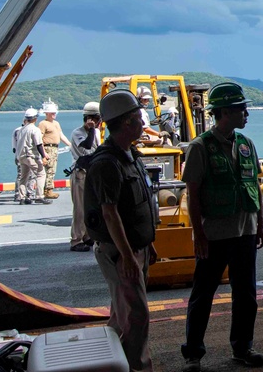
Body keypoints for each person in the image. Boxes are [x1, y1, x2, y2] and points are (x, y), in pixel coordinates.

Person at [181, 82, 263, 371]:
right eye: (242, 109)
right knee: (203, 295)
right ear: (226, 112)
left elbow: (254, 184)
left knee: (247, 295)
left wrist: (261, 225)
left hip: (245, 232)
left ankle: (243, 348)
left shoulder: (246, 144)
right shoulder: (199, 147)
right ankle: (193, 354)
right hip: (214, 235)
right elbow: (192, 194)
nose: (246, 114)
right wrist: (198, 235)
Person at [84, 89, 158, 372]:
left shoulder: (129, 155)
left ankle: (111, 364)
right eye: (139, 118)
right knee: (136, 316)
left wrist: (146, 243)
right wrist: (128, 256)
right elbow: (110, 213)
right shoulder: (107, 163)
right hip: (119, 253)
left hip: (134, 248)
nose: (143, 122)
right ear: (127, 122)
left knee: (122, 316)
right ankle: (137, 368)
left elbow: (137, 207)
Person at [68, 102, 101, 252]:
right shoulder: (77, 133)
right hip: (80, 172)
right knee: (80, 208)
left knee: (90, 206)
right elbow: (87, 146)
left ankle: (87, 235)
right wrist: (92, 130)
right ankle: (76, 240)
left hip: (91, 172)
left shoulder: (96, 133)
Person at [39, 101, 71, 200]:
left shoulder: (56, 123)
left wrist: (70, 144)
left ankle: (48, 189)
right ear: (46, 113)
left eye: (55, 113)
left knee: (52, 169)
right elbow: (39, 139)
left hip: (55, 148)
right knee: (49, 169)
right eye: (52, 113)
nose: (54, 115)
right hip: (48, 148)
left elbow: (61, 135)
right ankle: (48, 190)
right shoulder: (43, 124)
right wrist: (43, 153)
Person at [15, 108, 48, 204]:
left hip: (21, 157)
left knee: (23, 177)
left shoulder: (21, 129)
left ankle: (22, 197)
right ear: (35, 118)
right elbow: (38, 144)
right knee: (41, 174)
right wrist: (44, 157)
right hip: (31, 156)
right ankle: (39, 196)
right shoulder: (35, 129)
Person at [11, 119, 25, 201]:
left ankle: (18, 193)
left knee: (20, 175)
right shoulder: (20, 130)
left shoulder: (16, 130)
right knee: (27, 176)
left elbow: (13, 148)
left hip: (18, 155)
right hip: (24, 155)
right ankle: (23, 193)